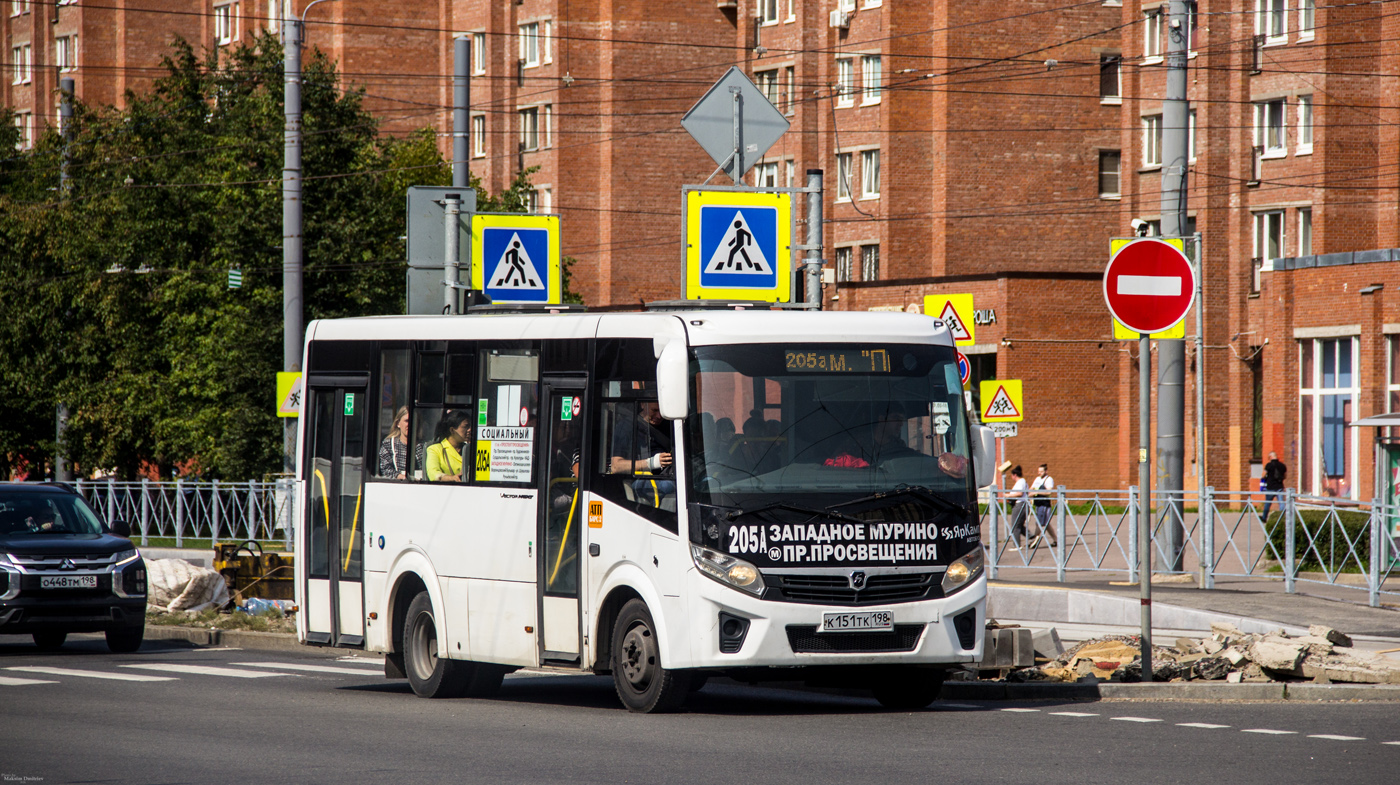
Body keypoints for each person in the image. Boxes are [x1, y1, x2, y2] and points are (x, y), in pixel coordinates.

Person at [611, 400, 674, 506]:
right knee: (672, 486)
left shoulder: (669, 425)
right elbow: (616, 466)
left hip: (667, 474)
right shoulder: (626, 427)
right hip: (641, 480)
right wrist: (652, 463)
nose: (659, 416)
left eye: (662, 411)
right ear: (643, 404)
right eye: (654, 410)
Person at [425, 410, 471, 482]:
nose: (469, 430)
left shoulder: (470, 449)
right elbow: (433, 473)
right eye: (466, 426)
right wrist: (451, 478)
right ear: (452, 430)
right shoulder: (435, 449)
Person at [377, 406, 410, 479]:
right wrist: (402, 477)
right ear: (398, 423)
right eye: (407, 421)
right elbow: (385, 469)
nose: (409, 424)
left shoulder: (422, 446)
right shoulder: (388, 444)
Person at [1029, 463, 1057, 546]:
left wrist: (1037, 492)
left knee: (1040, 523)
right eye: (1038, 471)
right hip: (1038, 504)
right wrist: (1030, 493)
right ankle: (1056, 540)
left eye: (1041, 471)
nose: (1039, 473)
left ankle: (1035, 540)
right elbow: (1031, 488)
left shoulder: (1048, 480)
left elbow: (1048, 492)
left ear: (1046, 471)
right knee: (1046, 523)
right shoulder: (1037, 479)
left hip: (1044, 504)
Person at [1007, 465, 1030, 546]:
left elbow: (1020, 493)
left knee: (1015, 525)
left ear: (1015, 475)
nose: (1011, 477)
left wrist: (1008, 495)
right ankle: (1031, 536)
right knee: (1019, 524)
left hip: (1020, 504)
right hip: (1020, 504)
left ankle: (1016, 545)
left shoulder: (1021, 482)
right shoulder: (1021, 482)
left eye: (1011, 475)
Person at [1261, 451, 1287, 521]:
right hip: (1279, 487)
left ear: (1270, 457)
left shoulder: (1268, 465)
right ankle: (1282, 517)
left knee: (1268, 503)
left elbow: (1263, 475)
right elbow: (1285, 476)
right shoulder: (1282, 465)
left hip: (1270, 487)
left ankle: (1264, 517)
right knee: (1281, 502)